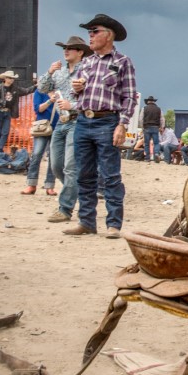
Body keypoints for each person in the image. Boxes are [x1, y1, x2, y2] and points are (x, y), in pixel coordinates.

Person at [64, 14, 137, 240]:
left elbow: (130, 96)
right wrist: (76, 90)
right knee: (84, 175)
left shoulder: (122, 62)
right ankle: (86, 222)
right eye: (90, 32)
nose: (91, 36)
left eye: (95, 31)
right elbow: (77, 94)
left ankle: (113, 224)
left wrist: (122, 125)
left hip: (107, 121)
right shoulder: (86, 62)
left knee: (110, 175)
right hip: (83, 121)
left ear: (109, 35)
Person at [37, 35, 93, 224]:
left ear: (80, 52)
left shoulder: (86, 72)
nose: (65, 51)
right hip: (61, 122)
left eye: (70, 48)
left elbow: (92, 99)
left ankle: (65, 208)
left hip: (77, 121)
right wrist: (49, 72)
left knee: (70, 166)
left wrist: (73, 105)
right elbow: (43, 88)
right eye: (65, 48)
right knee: (55, 165)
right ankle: (76, 190)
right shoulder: (59, 72)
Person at [20, 87, 58, 195]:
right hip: (42, 127)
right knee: (36, 154)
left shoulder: (61, 91)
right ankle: (31, 184)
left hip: (57, 127)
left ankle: (50, 185)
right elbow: (38, 109)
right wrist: (50, 100)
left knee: (53, 157)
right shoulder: (40, 91)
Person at [0, 70, 36, 152]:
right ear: (5, 78)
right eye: (10, 78)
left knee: (5, 132)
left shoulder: (15, 88)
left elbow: (26, 91)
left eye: (12, 78)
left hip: (7, 112)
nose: (12, 80)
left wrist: (35, 86)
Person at [141, 95, 162, 162]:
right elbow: (162, 119)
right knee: (156, 143)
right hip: (155, 127)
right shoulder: (159, 109)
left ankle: (147, 158)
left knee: (147, 143)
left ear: (147, 101)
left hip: (147, 127)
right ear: (154, 101)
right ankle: (156, 153)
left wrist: (142, 127)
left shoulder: (144, 108)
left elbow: (140, 119)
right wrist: (161, 127)